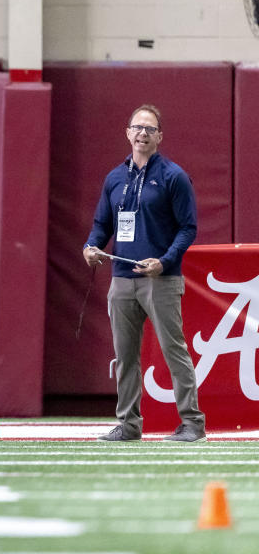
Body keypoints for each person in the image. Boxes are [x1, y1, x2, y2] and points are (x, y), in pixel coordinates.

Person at [83, 104, 205, 442]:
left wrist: (164, 262)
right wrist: (91, 246)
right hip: (122, 279)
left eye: (150, 129)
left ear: (159, 137)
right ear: (127, 133)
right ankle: (129, 424)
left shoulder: (173, 176)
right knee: (125, 357)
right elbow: (101, 225)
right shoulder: (114, 178)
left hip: (161, 280)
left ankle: (193, 424)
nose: (142, 134)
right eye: (137, 127)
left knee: (173, 351)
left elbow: (188, 228)